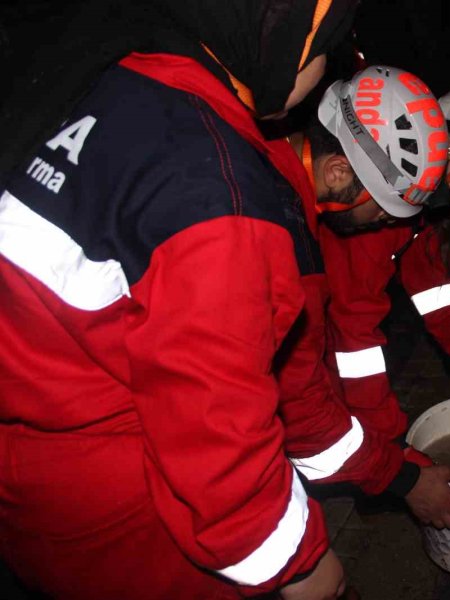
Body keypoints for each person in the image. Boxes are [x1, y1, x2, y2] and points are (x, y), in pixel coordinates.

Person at [0, 1, 362, 598]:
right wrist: (295, 563)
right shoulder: (217, 186)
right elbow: (215, 424)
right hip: (111, 508)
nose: (322, 68)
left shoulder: (112, 71)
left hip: (31, 467)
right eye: (321, 46)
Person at [278, 64, 450, 529]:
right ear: (339, 170)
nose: (389, 222)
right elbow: (298, 401)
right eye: (384, 208)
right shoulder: (279, 240)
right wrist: (396, 476)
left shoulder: (274, 179)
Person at [307, 72, 450, 444]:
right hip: (312, 358)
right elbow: (354, 338)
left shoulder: (422, 207)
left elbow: (436, 287)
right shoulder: (377, 209)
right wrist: (387, 439)